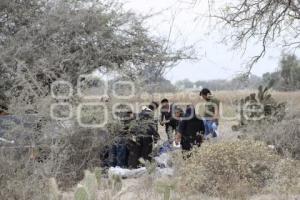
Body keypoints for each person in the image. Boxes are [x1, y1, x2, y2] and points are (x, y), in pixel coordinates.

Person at [127, 103, 160, 168]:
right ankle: (146, 167)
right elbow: (152, 127)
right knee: (147, 153)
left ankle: (136, 166)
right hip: (147, 137)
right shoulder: (151, 114)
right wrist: (156, 137)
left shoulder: (140, 113)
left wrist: (133, 133)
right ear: (155, 108)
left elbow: (135, 123)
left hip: (138, 136)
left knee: (138, 152)